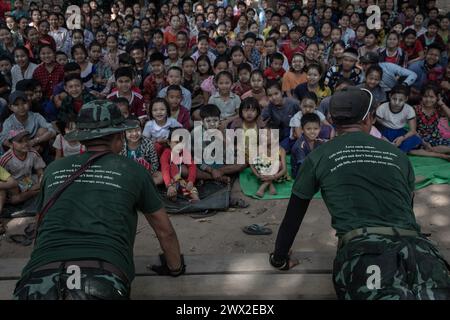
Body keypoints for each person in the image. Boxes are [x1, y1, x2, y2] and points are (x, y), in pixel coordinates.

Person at [270, 87, 450, 299]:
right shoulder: (398, 155)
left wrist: (280, 258)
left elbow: (294, 214)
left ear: (330, 119)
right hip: (419, 252)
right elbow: (406, 208)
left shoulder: (319, 155)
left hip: (364, 255)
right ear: (369, 119)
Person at [13, 100, 185, 300]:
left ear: (83, 139)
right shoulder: (134, 170)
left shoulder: (53, 169)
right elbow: (165, 232)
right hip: (102, 276)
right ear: (119, 136)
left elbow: (40, 223)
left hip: (39, 275)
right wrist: (175, 268)